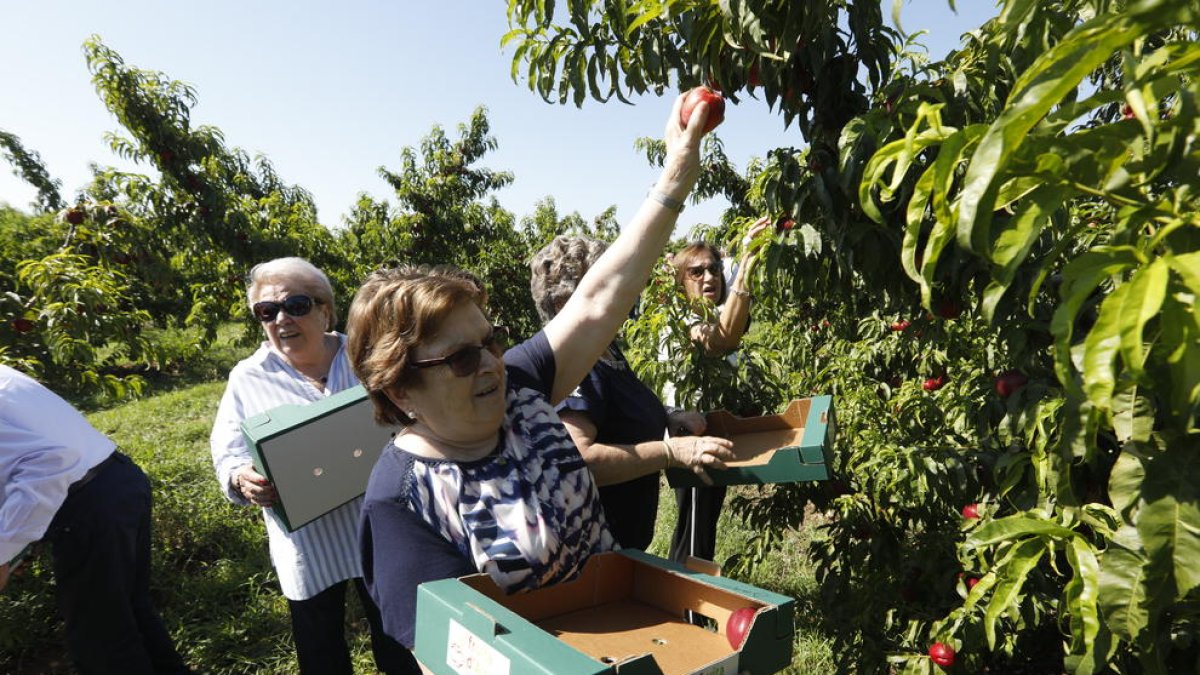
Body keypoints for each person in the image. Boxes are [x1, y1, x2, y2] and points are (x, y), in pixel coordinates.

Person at [346, 92, 721, 649]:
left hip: (630, 642)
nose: (491, 362)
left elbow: (599, 299)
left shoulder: (518, 390)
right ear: (400, 389)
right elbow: (452, 654)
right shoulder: (403, 501)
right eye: (460, 358)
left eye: (491, 340)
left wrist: (676, 176)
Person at [209, 257, 415, 674]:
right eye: (267, 311)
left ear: (325, 310)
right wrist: (240, 476)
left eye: (295, 305)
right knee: (319, 647)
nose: (281, 319)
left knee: (395, 634)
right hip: (309, 542)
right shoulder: (248, 378)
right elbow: (227, 449)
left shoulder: (365, 355)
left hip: (378, 523)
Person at [529, 234, 735, 550]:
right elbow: (581, 458)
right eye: (607, 283)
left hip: (623, 544)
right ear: (563, 303)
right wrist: (671, 453)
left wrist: (669, 415)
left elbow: (620, 411)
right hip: (594, 553)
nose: (623, 292)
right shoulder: (575, 365)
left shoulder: (604, 349)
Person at [0, 364, 191, 674]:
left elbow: (50, 462)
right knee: (129, 613)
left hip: (86, 502)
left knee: (101, 641)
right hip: (116, 480)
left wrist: (3, 551)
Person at [665, 217, 770, 567]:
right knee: (693, 535)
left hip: (712, 431)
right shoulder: (680, 317)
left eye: (713, 269)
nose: (709, 277)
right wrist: (747, 266)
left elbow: (730, 331)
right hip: (689, 434)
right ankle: (686, 609)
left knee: (702, 529)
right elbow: (719, 343)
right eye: (696, 272)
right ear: (681, 282)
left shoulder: (716, 312)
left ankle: (686, 605)